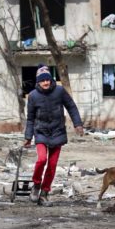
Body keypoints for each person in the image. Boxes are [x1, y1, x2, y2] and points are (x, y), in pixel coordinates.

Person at [24, 64, 84, 206]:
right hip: (41, 132)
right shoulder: (33, 96)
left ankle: (44, 194)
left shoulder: (59, 91)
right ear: (38, 81)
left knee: (52, 165)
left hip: (57, 132)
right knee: (41, 160)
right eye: (42, 80)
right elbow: (30, 118)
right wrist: (28, 137)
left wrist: (78, 124)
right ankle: (36, 185)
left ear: (51, 80)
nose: (46, 83)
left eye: (48, 80)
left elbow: (71, 106)